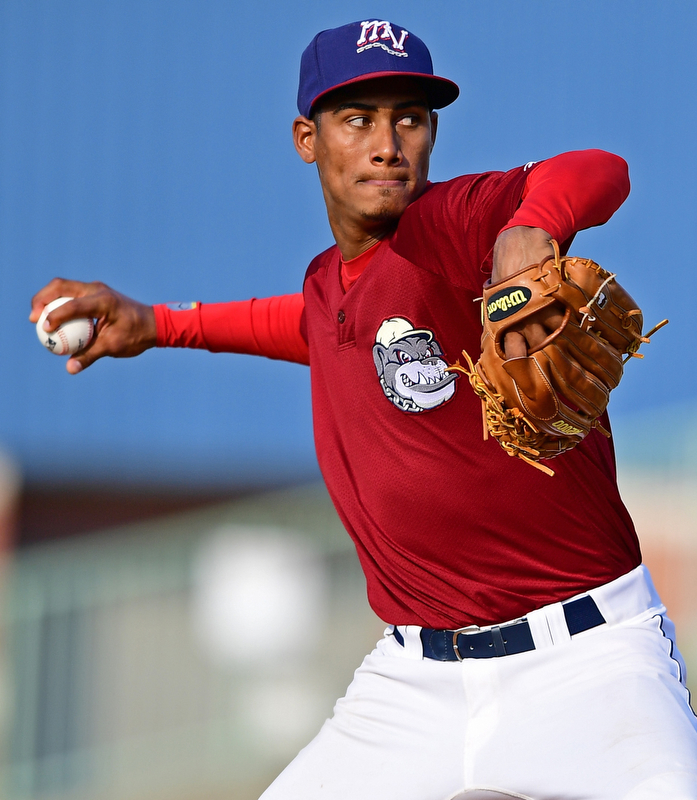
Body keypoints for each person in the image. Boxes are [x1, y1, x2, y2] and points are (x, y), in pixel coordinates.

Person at [31, 19, 697, 800]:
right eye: (359, 119)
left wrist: (528, 226)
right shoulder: (328, 285)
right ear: (307, 139)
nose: (388, 143)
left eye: (408, 118)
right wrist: (158, 323)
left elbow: (597, 168)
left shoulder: (452, 227)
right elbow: (308, 324)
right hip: (412, 686)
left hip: (585, 664)